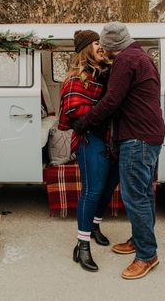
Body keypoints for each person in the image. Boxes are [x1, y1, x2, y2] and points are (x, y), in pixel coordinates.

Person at [74, 22, 165, 280]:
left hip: (137, 138)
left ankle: (147, 255)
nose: (103, 50)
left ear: (113, 46)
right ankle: (140, 239)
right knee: (145, 194)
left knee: (135, 197)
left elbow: (111, 101)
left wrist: (85, 123)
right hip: (151, 135)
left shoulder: (126, 61)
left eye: (105, 46)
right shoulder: (142, 56)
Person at [58, 29, 119, 272]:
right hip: (90, 138)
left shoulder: (109, 72)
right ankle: (82, 246)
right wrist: (102, 115)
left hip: (113, 138)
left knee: (109, 186)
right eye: (96, 43)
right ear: (86, 48)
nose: (101, 46)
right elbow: (74, 113)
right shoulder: (77, 77)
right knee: (92, 191)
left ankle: (94, 226)